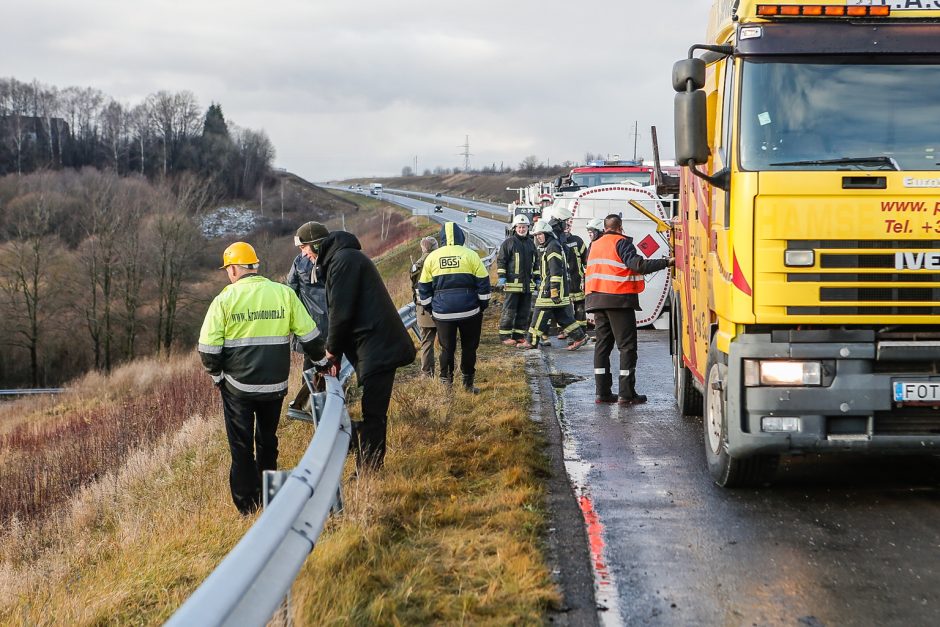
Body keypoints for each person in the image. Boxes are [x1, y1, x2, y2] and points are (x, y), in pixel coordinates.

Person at [198, 241, 325, 514]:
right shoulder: (283, 294)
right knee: (268, 440)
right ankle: (270, 495)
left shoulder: (224, 300)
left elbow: (208, 350)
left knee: (241, 447)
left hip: (237, 388)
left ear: (233, 269)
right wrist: (323, 362)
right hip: (275, 386)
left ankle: (247, 506)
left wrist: (217, 376)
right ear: (254, 266)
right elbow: (311, 336)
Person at [315, 229, 417, 471]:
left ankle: (369, 469)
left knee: (373, 413)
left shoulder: (344, 262)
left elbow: (340, 314)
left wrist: (331, 352)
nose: (304, 254)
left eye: (304, 249)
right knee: (373, 412)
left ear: (317, 247)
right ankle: (364, 459)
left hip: (377, 346)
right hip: (374, 345)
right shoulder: (346, 259)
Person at [587, 214, 674, 405]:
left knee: (602, 346)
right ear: (620, 228)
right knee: (627, 347)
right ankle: (626, 394)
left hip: (596, 300)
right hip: (618, 300)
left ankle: (602, 393)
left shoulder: (595, 245)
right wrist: (666, 262)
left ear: (605, 227)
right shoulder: (621, 242)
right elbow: (638, 265)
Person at [417, 222, 491, 393]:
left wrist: (431, 309)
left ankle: (446, 385)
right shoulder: (471, 255)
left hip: (443, 314)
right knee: (469, 347)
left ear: (442, 238)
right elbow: (484, 284)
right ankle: (468, 384)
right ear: (460, 236)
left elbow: (424, 288)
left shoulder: (433, 257)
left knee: (446, 348)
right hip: (470, 312)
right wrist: (481, 305)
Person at [287, 221, 331, 411]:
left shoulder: (299, 262)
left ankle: (308, 404)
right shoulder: (336, 260)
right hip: (335, 325)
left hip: (310, 327)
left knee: (310, 366)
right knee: (333, 364)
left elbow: (291, 291)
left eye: (303, 247)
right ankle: (324, 399)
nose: (303, 251)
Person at [527, 220, 589, 351]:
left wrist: (554, 289)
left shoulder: (552, 246)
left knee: (539, 312)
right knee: (563, 317)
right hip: (556, 288)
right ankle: (580, 338)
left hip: (552, 288)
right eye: (536, 235)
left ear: (547, 233)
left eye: (540, 234)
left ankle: (531, 341)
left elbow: (555, 270)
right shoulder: (550, 245)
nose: (538, 237)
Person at [496, 214, 538, 348]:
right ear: (515, 228)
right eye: (519, 227)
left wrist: (537, 279)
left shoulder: (531, 244)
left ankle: (519, 336)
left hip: (527, 286)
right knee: (509, 311)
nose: (521, 229)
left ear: (528, 228)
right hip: (512, 285)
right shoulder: (509, 243)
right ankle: (505, 336)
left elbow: (535, 264)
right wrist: (502, 278)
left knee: (524, 312)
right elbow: (502, 261)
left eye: (524, 227)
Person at [410, 236, 439, 377]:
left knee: (427, 342)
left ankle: (427, 374)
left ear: (423, 248)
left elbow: (413, 285)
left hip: (423, 308)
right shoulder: (438, 261)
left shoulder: (417, 265)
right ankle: (448, 371)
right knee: (447, 341)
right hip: (441, 305)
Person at [561, 217, 588, 341]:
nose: (566, 228)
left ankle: (581, 330)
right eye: (564, 226)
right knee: (565, 308)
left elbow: (586, 260)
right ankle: (565, 330)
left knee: (580, 307)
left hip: (577, 279)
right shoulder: (557, 241)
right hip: (563, 281)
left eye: (568, 226)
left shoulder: (577, 241)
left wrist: (586, 277)